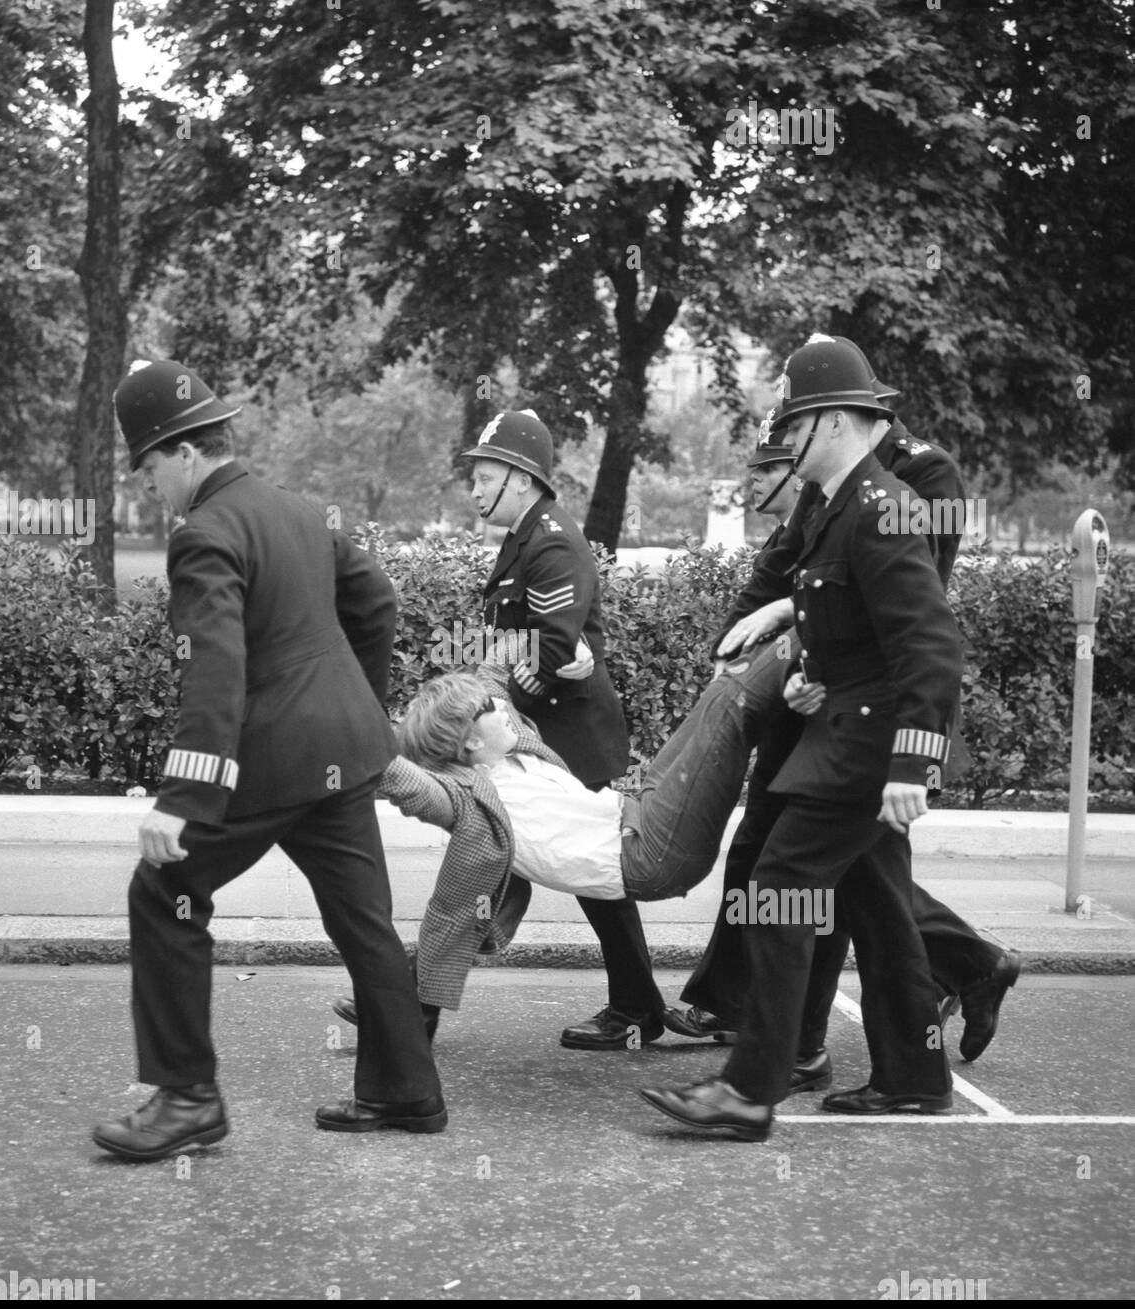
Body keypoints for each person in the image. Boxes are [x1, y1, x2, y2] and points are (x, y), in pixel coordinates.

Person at [91, 358, 444, 1161]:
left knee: (164, 889)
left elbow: (215, 672)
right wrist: (356, 707)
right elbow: (377, 602)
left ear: (183, 452)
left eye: (148, 469)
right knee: (363, 922)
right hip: (343, 754)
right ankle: (407, 1092)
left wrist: (182, 797)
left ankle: (186, 1098)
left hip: (276, 760)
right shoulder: (301, 510)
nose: (150, 487)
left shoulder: (205, 534)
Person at [640, 334, 964, 1140]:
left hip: (862, 749)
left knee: (777, 889)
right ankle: (914, 1075)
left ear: (832, 423)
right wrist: (803, 669)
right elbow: (850, 626)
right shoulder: (843, 506)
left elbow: (929, 645)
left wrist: (911, 765)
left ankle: (752, 1088)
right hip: (844, 729)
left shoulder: (882, 508)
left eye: (793, 425)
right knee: (879, 907)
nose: (783, 442)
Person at [329, 654, 790, 1024]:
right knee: (731, 707)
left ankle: (805, 652)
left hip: (642, 814)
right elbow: (407, 782)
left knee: (721, 689)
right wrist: (334, 733)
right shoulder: (470, 799)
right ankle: (812, 627)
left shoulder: (512, 746)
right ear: (468, 742)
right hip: (652, 857)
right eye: (490, 710)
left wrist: (563, 648)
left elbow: (493, 673)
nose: (503, 708)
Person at [460, 409, 688, 1050]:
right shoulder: (526, 538)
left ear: (521, 477)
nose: (474, 490)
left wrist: (500, 690)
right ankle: (412, 998)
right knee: (509, 869)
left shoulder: (552, 539)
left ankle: (409, 1000)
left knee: (586, 879)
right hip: (539, 738)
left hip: (564, 743)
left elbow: (554, 648)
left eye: (484, 477)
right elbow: (529, 641)